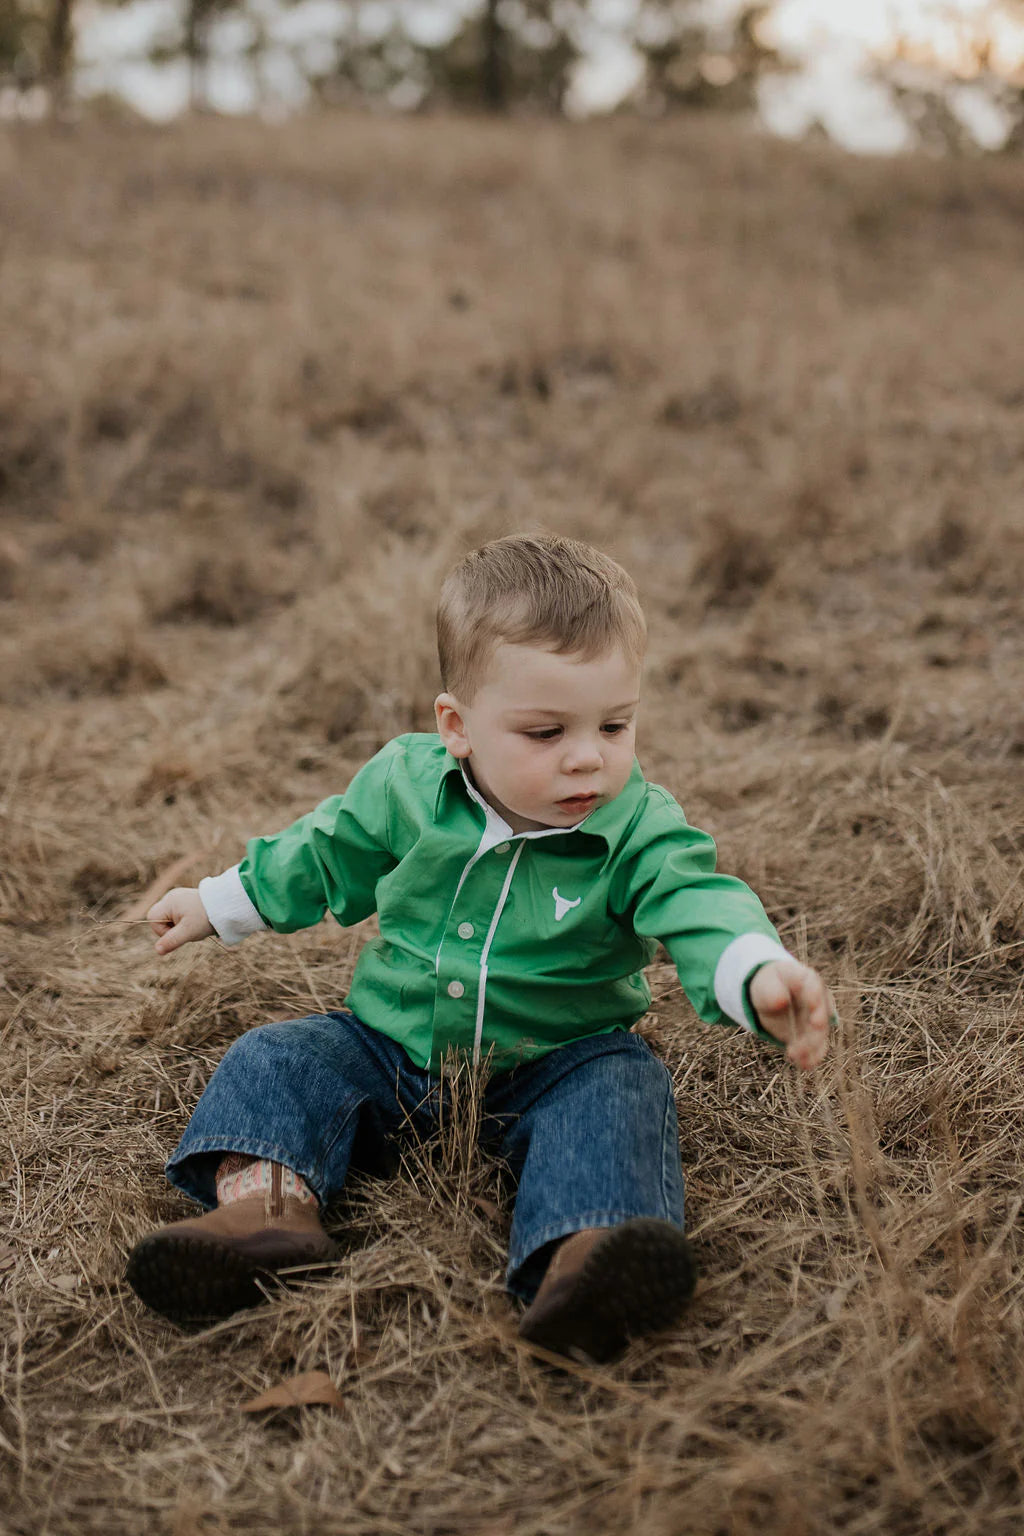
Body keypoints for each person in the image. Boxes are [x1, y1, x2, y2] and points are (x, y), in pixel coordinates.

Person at [126, 533, 834, 1362]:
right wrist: (221, 902)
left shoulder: (637, 826)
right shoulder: (406, 784)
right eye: (546, 732)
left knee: (622, 1087)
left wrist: (751, 967)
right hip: (391, 1048)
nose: (588, 757)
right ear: (457, 727)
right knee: (275, 1058)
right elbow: (325, 851)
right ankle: (264, 1212)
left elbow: (697, 898)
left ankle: (586, 1256)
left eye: (615, 724)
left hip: (556, 1062)